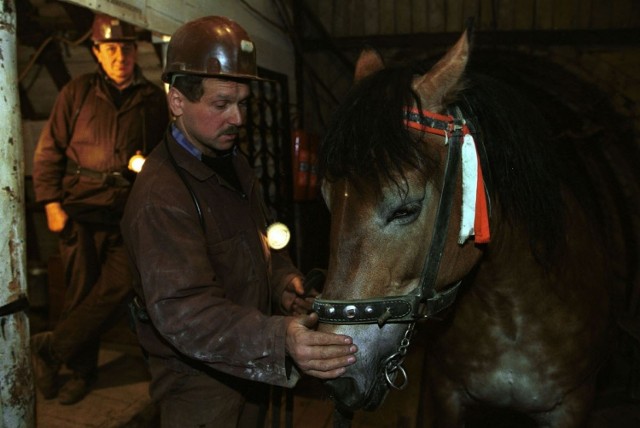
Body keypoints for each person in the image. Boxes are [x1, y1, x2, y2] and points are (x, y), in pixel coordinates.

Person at [120, 15, 357, 427]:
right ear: (177, 101)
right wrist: (279, 336)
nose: (238, 119)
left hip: (249, 367)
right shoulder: (162, 196)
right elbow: (184, 311)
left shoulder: (233, 164)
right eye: (220, 104)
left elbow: (254, 243)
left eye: (242, 103)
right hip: (200, 390)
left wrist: (283, 283)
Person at [30, 13, 169, 405]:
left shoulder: (152, 99)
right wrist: (51, 203)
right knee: (80, 295)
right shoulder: (76, 92)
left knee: (117, 288)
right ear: (96, 52)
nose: (120, 56)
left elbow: (165, 158)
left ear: (135, 50)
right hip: (80, 210)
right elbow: (49, 150)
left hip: (127, 214)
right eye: (110, 48)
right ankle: (79, 373)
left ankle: (51, 349)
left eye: (126, 47)